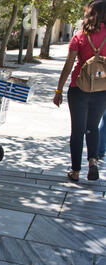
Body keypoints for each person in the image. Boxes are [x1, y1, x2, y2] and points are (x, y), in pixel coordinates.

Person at [53, 0, 106, 181]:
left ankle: (75, 171)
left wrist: (58, 90)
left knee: (77, 130)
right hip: (102, 89)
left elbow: (68, 65)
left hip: (78, 88)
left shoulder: (80, 36)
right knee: (93, 127)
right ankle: (93, 162)